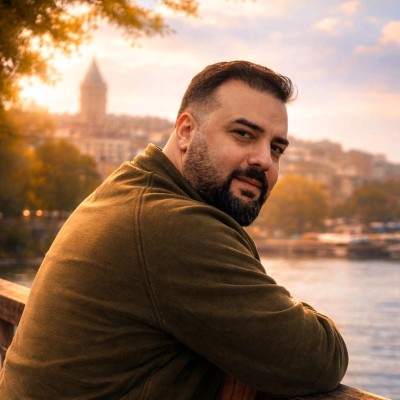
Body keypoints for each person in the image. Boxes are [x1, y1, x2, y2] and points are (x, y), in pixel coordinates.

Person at [0, 61, 348, 399]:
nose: (264, 160)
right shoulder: (174, 225)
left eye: (276, 148)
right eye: (243, 134)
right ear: (186, 131)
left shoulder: (129, 189)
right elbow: (319, 358)